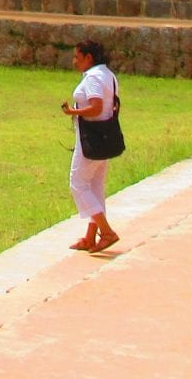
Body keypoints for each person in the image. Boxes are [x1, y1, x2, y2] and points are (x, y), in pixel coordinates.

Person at [61, 40, 120, 253]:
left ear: (89, 58)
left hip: (91, 139)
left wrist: (73, 112)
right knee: (95, 186)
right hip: (104, 137)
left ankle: (106, 232)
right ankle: (90, 237)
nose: (74, 61)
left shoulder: (94, 78)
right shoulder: (108, 76)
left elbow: (95, 107)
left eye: (78, 56)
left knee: (78, 184)